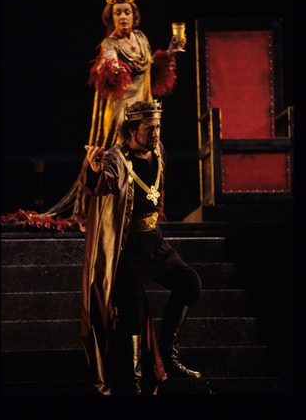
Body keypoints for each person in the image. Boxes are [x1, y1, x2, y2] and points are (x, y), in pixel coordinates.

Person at [80, 100, 202, 395]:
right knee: (132, 312)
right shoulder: (116, 158)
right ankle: (134, 377)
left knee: (189, 283)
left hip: (153, 240)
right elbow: (101, 184)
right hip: (127, 246)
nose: (156, 133)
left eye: (158, 127)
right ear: (132, 130)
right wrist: (94, 170)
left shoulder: (159, 151)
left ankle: (168, 356)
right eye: (150, 129)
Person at [74, 0, 184, 216]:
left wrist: (171, 51)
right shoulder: (109, 43)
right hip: (122, 114)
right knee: (122, 159)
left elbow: (152, 68)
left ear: (134, 16)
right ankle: (117, 209)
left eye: (127, 12)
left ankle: (147, 208)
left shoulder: (141, 38)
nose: (123, 17)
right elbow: (107, 60)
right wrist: (111, 66)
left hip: (145, 109)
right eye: (118, 13)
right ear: (110, 18)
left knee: (151, 155)